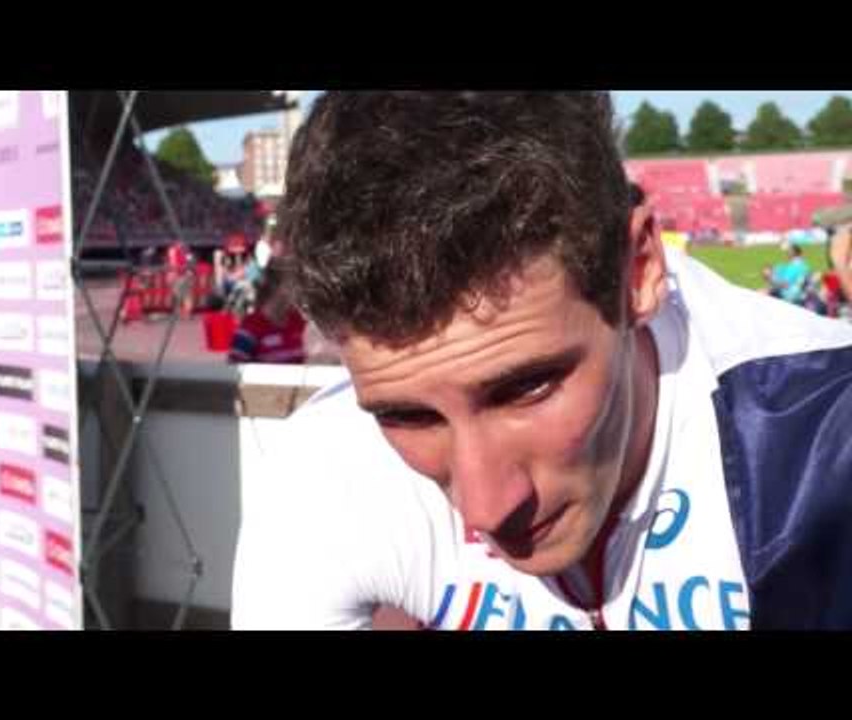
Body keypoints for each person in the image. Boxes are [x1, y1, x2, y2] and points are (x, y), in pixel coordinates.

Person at [232, 92, 852, 630]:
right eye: (406, 415)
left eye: (528, 388)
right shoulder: (325, 472)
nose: (485, 505)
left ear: (638, 272)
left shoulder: (824, 436)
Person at [228, 261, 306, 364]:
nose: (298, 291)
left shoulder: (298, 321)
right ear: (275, 286)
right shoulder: (251, 327)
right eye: (292, 285)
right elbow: (234, 368)